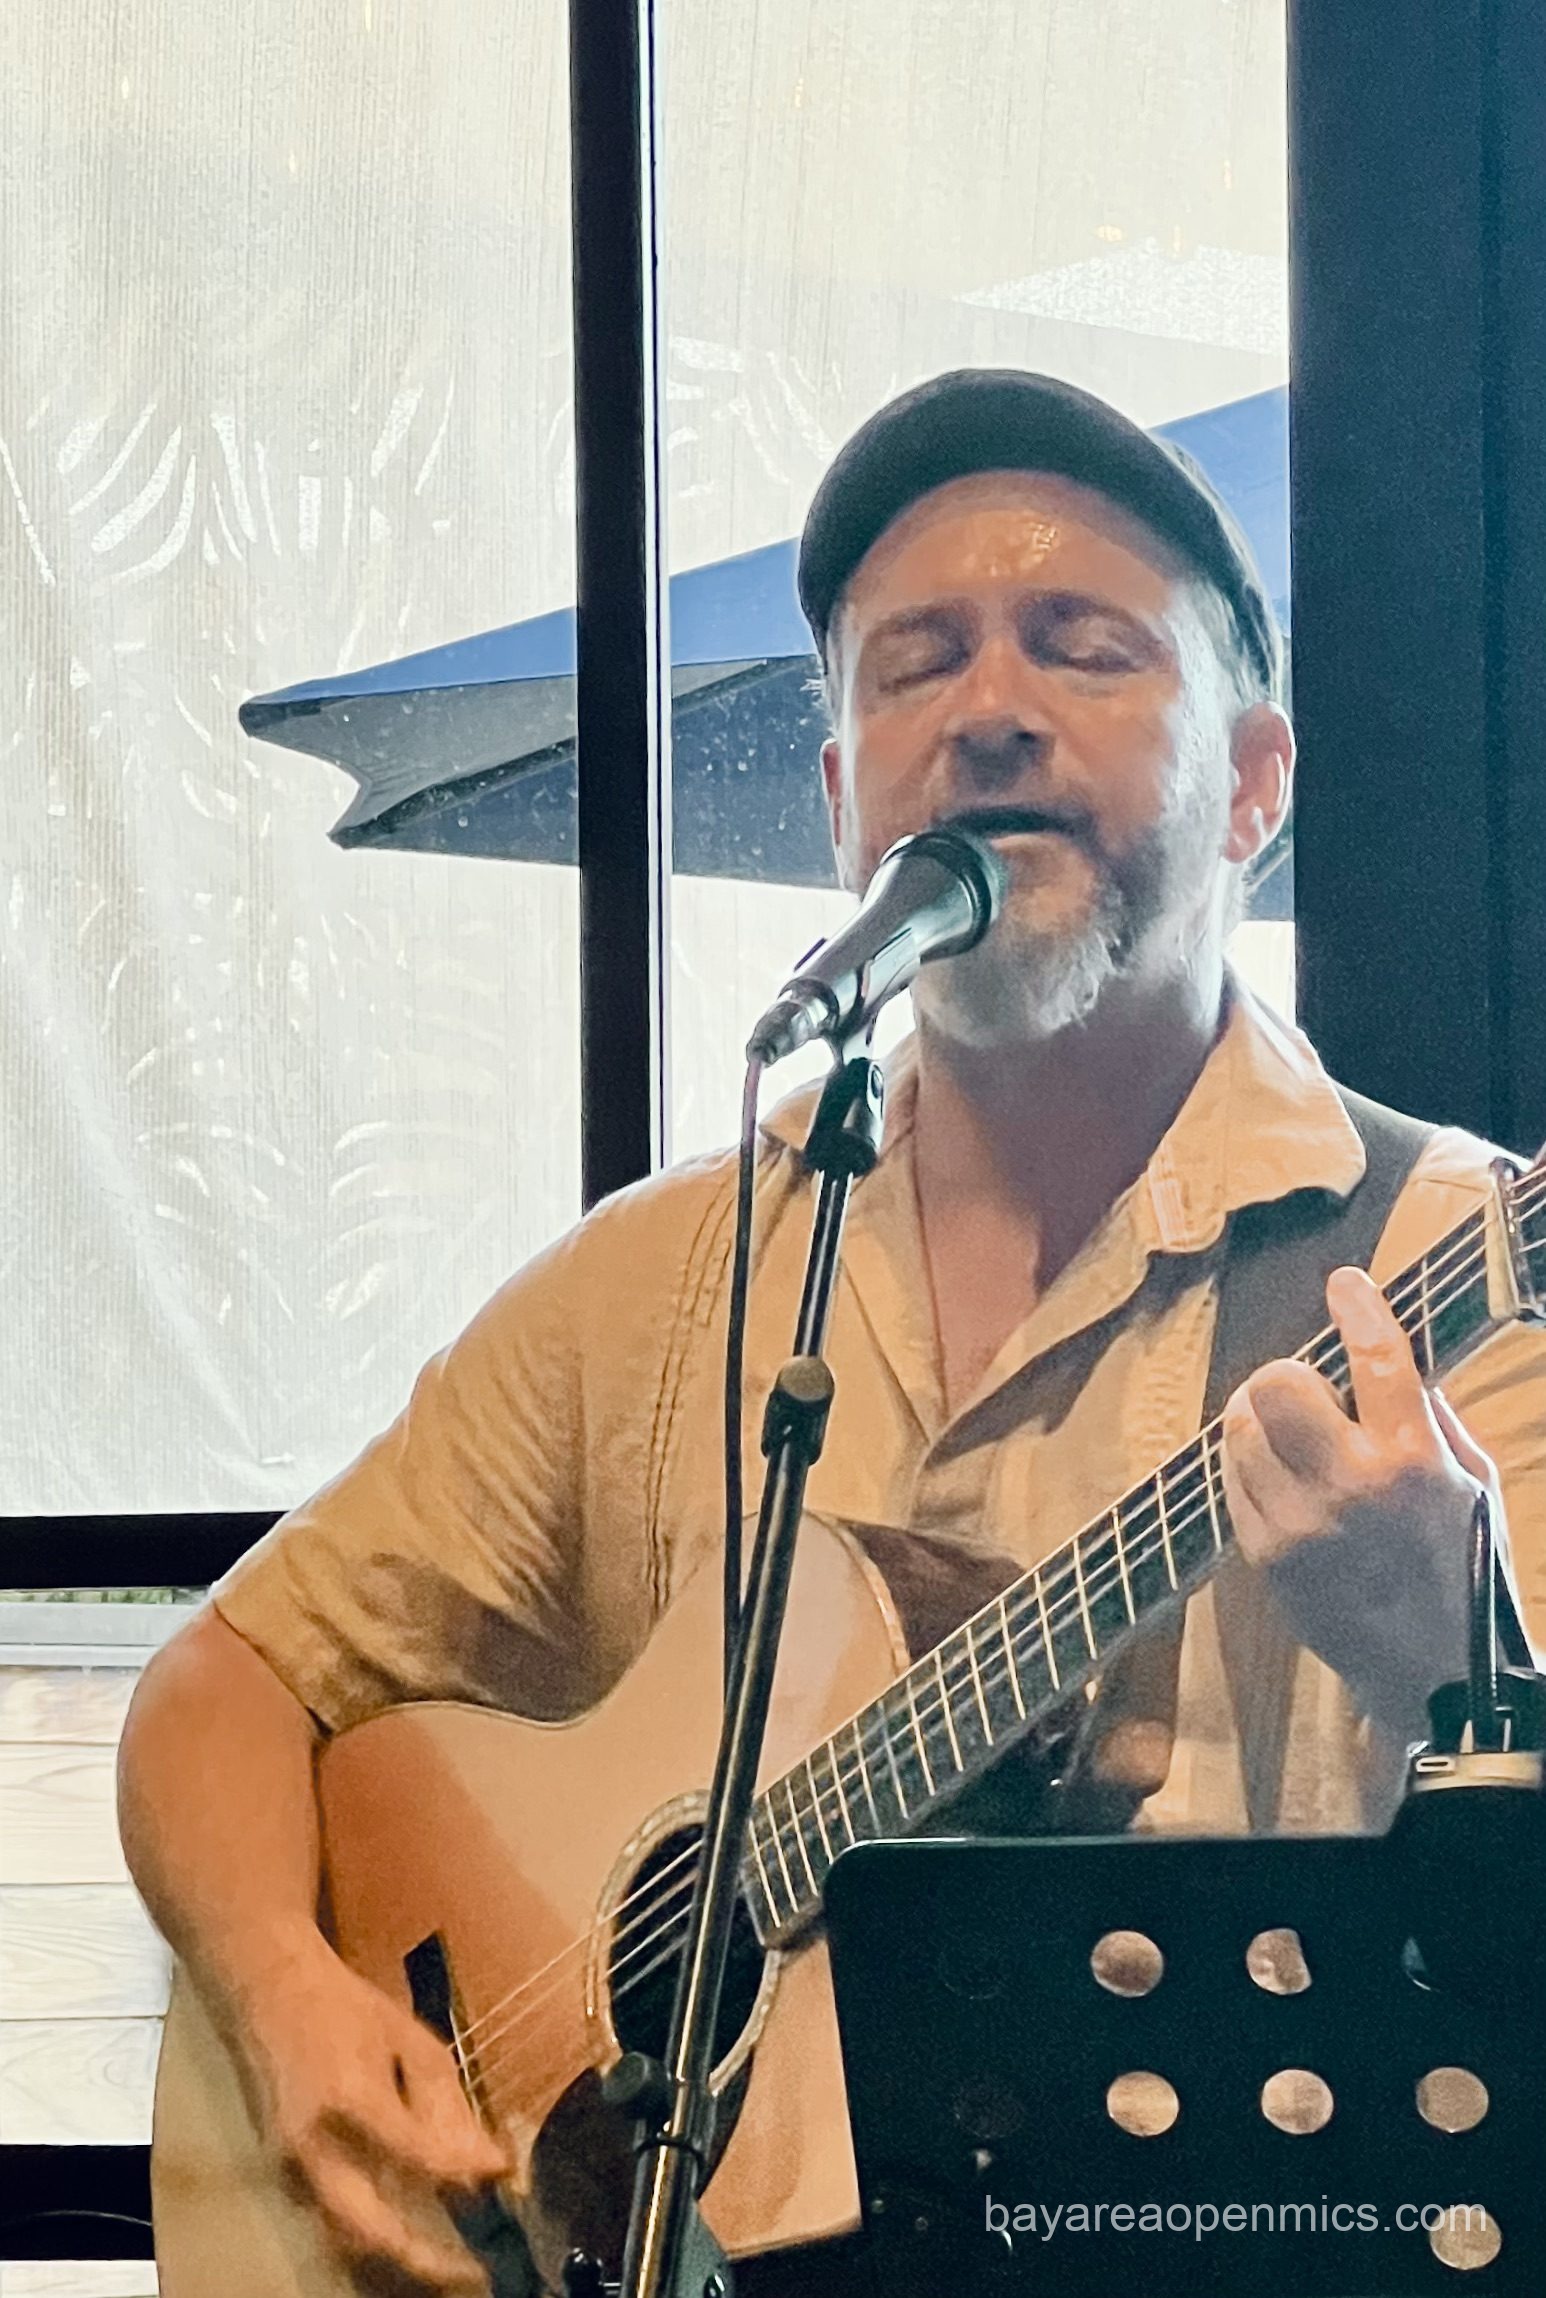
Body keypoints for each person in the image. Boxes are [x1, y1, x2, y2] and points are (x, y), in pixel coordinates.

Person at [118, 370, 1546, 2298]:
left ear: (1260, 785)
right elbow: (224, 1684)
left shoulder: (1452, 1259)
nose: (985, 709)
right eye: (911, 665)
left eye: (1085, 647)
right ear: (838, 805)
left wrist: (1455, 1656)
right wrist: (289, 1994)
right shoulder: (678, 1271)